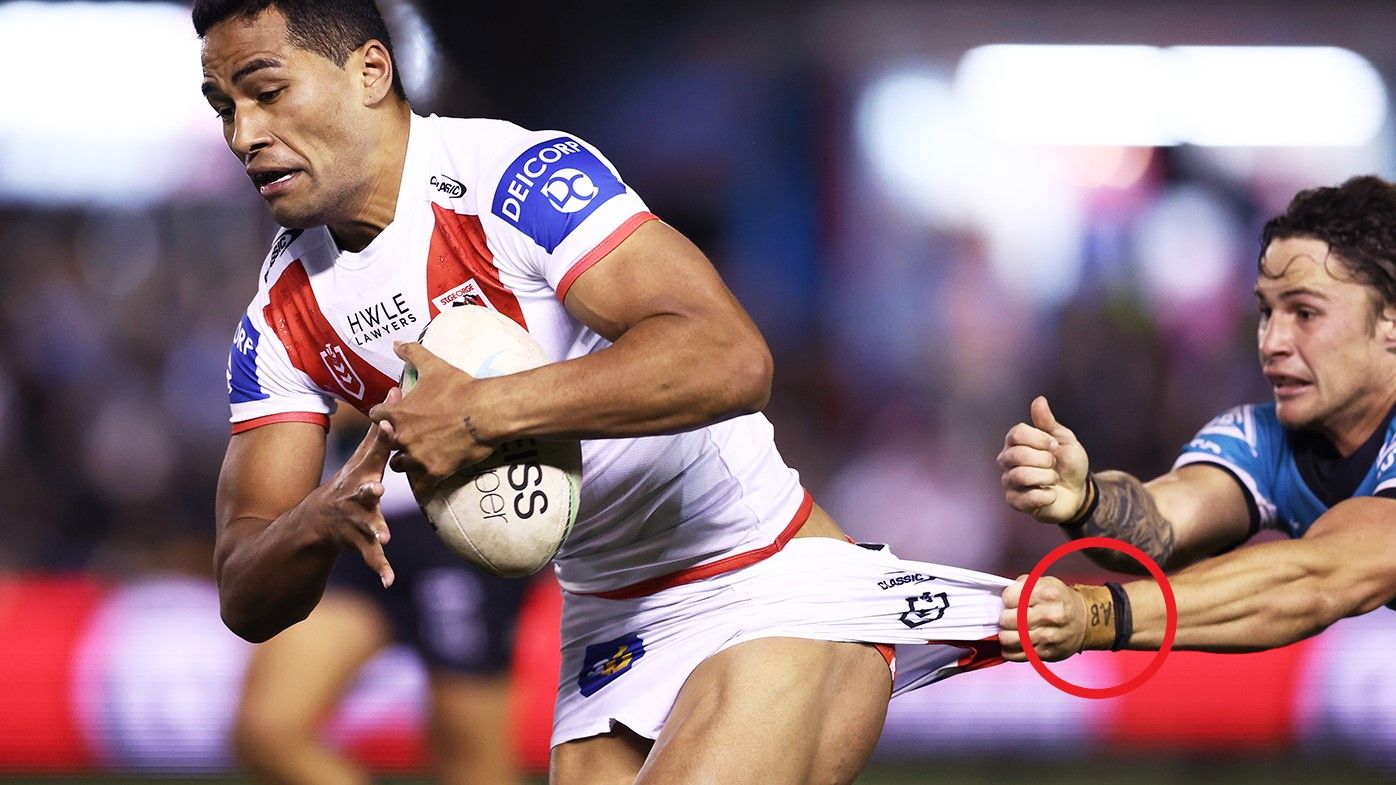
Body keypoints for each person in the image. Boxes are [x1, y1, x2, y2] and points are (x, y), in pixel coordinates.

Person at [196, 1, 1009, 783]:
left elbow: (730, 355)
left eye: (267, 91)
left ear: (371, 69)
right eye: (223, 105)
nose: (245, 133)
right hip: (608, 619)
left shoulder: (515, 180)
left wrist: (482, 410)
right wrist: (320, 515)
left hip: (764, 577)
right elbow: (243, 581)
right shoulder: (278, 319)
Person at [997, 176, 1396, 661]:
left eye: (1305, 313)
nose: (1271, 342)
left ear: (1389, 321)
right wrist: (1085, 501)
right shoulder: (1264, 438)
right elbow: (1162, 524)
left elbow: (1318, 576)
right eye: (1267, 312)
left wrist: (1095, 614)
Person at [232, 415, 528, 785]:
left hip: (455, 513)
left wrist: (314, 397)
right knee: (268, 729)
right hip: (351, 517)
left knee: (469, 755)